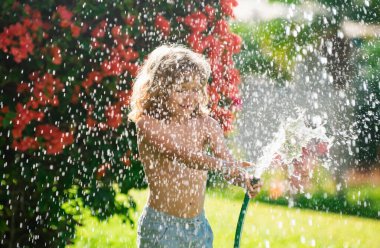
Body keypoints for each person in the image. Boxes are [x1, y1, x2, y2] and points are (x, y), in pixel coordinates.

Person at [128, 44, 262, 248]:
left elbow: (227, 161)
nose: (190, 98)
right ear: (160, 87)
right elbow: (183, 155)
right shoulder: (148, 124)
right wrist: (225, 166)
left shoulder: (206, 125)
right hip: (162, 227)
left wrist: (244, 179)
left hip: (198, 227)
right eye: (181, 90)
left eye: (196, 90)